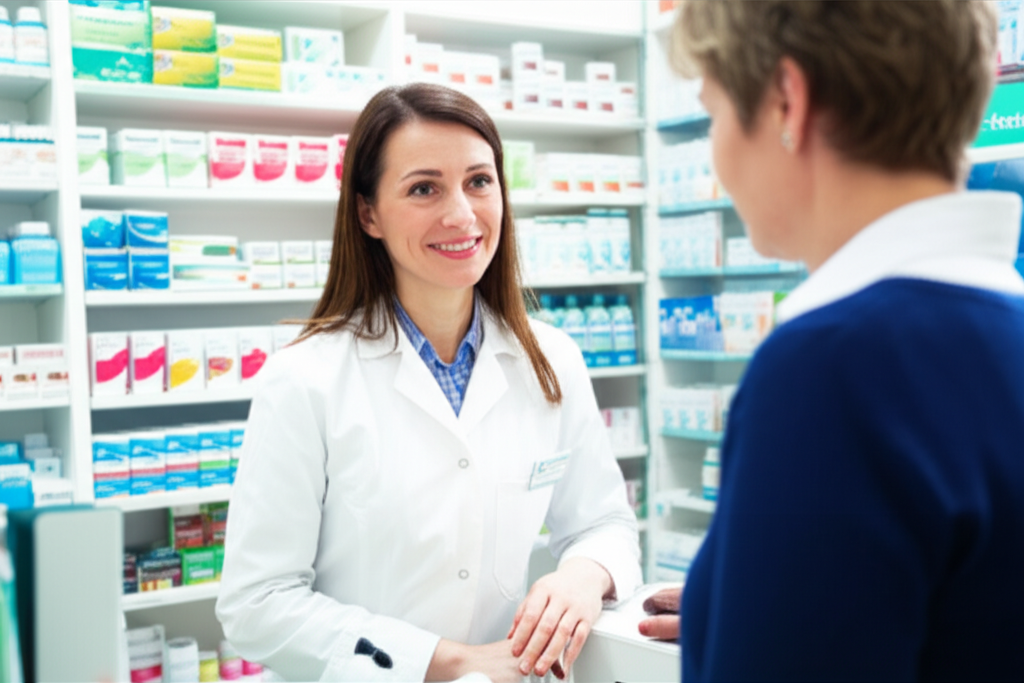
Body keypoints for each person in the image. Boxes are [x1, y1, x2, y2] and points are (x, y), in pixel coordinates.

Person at [215, 83, 642, 682]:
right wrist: (451, 664)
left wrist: (582, 575)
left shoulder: (552, 360)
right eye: (424, 188)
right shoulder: (304, 379)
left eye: (478, 181)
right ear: (368, 213)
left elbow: (604, 523)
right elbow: (257, 604)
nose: (461, 214)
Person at [661, 1, 1024, 680]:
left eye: (713, 113)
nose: (716, 152)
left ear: (786, 103)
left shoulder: (830, 370)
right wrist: (751, 593)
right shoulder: (1003, 327)